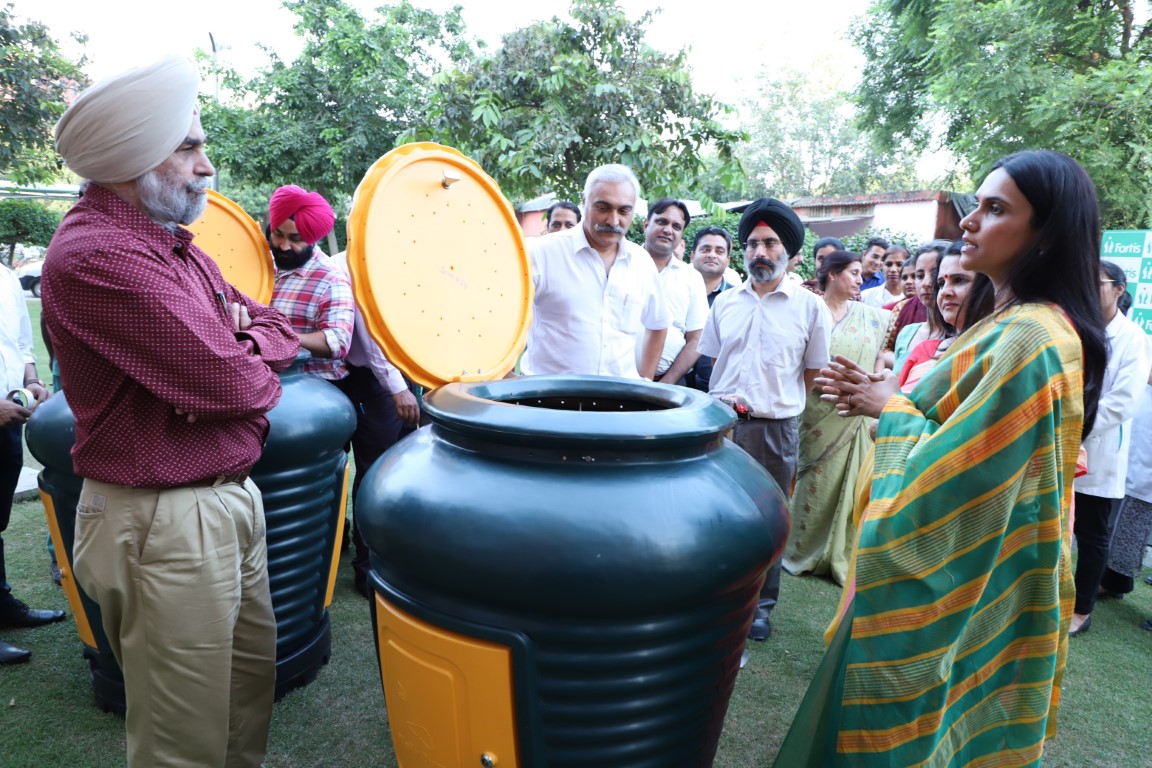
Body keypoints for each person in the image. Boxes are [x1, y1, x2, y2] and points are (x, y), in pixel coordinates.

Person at [776, 150, 1108, 767]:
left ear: (1047, 231)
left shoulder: (1033, 337)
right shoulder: (1013, 323)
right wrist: (891, 403)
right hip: (972, 580)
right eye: (975, 205)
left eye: (995, 209)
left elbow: (957, 481)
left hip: (957, 582)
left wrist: (891, 407)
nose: (969, 223)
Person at [43, 56, 300, 767]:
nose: (206, 165)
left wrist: (240, 343)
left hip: (223, 502)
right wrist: (245, 352)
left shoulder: (174, 249)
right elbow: (235, 387)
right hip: (162, 521)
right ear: (131, 157)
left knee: (244, 704)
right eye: (188, 147)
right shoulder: (99, 255)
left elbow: (272, 326)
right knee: (181, 743)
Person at [697, 198, 831, 640]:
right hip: (721, 426)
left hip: (775, 429)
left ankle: (759, 608)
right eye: (753, 243)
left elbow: (811, 373)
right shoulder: (725, 303)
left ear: (789, 252)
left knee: (769, 518)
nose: (760, 252)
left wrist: (775, 405)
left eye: (771, 243)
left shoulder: (810, 309)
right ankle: (709, 593)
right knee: (714, 513)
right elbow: (714, 361)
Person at [783, 251, 888, 585]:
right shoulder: (807, 309)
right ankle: (800, 549)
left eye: (860, 274)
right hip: (812, 409)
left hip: (852, 412)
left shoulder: (871, 317)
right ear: (830, 274)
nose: (860, 279)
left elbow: (876, 362)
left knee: (848, 478)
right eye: (853, 273)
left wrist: (868, 385)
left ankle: (837, 554)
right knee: (814, 479)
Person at [521, 164, 668, 379]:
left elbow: (659, 324)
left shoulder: (641, 262)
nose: (613, 220)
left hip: (619, 403)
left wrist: (644, 382)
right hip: (550, 402)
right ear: (584, 201)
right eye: (603, 207)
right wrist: (506, 376)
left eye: (624, 210)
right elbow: (500, 315)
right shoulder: (542, 252)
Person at [1067, 260, 1151, 635]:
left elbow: (1122, 402)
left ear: (1119, 289)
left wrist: (1075, 431)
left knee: (1092, 533)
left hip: (1097, 449)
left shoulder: (1133, 338)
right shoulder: (1075, 326)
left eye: (1097, 283)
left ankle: (1081, 611)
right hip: (1061, 443)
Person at [0, 263, 59, 665]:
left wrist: (33, 379)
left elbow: (19, 342)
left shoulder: (4, 275)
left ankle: (2, 606)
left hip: (9, 413)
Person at [641, 198, 708, 385]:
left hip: (669, 384)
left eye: (676, 226)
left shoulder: (691, 277)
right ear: (646, 224)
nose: (668, 230)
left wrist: (667, 383)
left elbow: (696, 339)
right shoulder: (622, 264)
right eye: (662, 221)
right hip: (617, 381)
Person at [686, 226, 737, 392]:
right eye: (705, 249)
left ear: (727, 260)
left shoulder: (737, 300)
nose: (712, 255)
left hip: (717, 392)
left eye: (719, 251)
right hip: (672, 387)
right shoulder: (674, 291)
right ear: (692, 255)